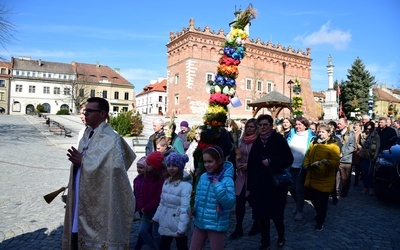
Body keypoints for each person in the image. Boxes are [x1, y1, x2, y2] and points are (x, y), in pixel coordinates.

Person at [63, 97, 137, 249]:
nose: (85, 114)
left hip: (100, 201)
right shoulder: (87, 134)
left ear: (102, 114)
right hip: (80, 195)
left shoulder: (112, 139)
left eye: (90, 111)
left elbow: (115, 169)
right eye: (85, 110)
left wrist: (83, 161)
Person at [247, 114, 294, 249]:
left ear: (271, 125)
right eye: (260, 125)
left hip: (276, 186)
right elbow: (251, 165)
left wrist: (272, 162)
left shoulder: (278, 140)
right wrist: (250, 186)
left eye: (265, 125)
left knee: (277, 215)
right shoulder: (257, 142)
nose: (262, 127)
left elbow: (288, 159)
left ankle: (281, 236)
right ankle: (265, 241)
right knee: (262, 216)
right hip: (260, 185)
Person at [189, 146, 236, 250]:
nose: (206, 165)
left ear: (219, 161)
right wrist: (192, 209)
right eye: (205, 162)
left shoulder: (227, 179)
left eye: (210, 161)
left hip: (216, 224)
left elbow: (229, 203)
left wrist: (218, 186)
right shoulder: (203, 177)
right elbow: (198, 197)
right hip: (200, 221)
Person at [303, 124, 340, 231]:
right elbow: (307, 155)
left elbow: (336, 163)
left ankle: (320, 221)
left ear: (329, 133)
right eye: (319, 132)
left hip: (325, 179)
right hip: (312, 177)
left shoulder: (334, 146)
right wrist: (306, 164)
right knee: (313, 199)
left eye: (323, 132)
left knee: (322, 202)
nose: (320, 134)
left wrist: (327, 162)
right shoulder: (313, 143)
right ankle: (319, 213)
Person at [152, 152, 192, 250]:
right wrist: (156, 217)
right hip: (166, 220)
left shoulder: (186, 186)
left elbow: (185, 209)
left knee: (181, 246)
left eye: (174, 165)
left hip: (178, 221)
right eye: (169, 165)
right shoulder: (167, 181)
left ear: (180, 167)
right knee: (164, 245)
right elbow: (162, 203)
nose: (171, 168)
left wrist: (182, 228)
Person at [230, 118, 259, 239]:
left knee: (255, 203)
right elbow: (237, 156)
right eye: (248, 127)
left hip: (254, 177)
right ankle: (239, 227)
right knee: (240, 202)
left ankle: (256, 224)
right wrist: (238, 164)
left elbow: (260, 159)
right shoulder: (241, 141)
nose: (249, 129)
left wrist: (249, 165)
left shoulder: (258, 142)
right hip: (241, 176)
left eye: (252, 127)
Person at [286, 116, 315, 221]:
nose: (297, 126)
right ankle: (298, 204)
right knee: (291, 188)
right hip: (290, 167)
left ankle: (300, 211)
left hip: (302, 168)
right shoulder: (291, 134)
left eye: (299, 124)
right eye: (296, 124)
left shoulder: (311, 136)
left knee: (299, 189)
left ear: (305, 125)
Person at [135, 151, 165, 250]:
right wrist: (141, 205)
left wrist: (147, 207)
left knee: (156, 234)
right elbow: (142, 192)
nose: (146, 166)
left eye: (148, 164)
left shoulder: (161, 178)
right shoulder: (146, 176)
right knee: (142, 231)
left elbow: (158, 197)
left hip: (155, 210)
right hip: (145, 210)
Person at [358, 121, 380, 196]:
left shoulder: (376, 136)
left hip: (372, 156)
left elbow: (378, 146)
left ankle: (371, 188)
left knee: (370, 173)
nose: (368, 130)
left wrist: (375, 155)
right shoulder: (362, 134)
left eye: (370, 129)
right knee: (364, 172)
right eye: (367, 129)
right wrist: (361, 149)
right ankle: (365, 187)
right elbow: (358, 143)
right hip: (364, 155)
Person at [335, 118, 355, 198]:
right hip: (337, 159)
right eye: (338, 123)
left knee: (345, 178)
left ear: (346, 124)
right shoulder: (336, 133)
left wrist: (343, 154)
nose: (338, 125)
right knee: (336, 177)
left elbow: (351, 147)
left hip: (346, 160)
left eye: (340, 124)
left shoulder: (351, 134)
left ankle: (344, 191)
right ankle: (335, 191)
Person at [351, 121, 362, 187]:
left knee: (357, 167)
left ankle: (356, 181)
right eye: (354, 125)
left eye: (356, 125)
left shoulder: (360, 133)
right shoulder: (352, 133)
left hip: (357, 152)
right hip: (352, 152)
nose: (355, 126)